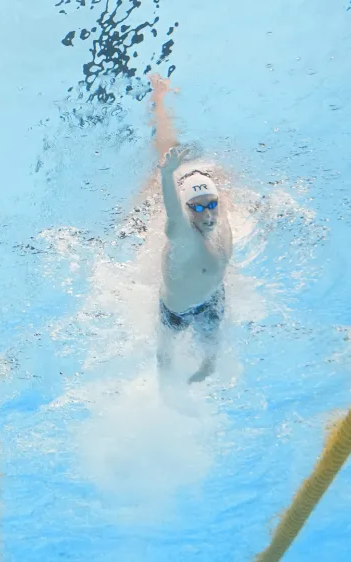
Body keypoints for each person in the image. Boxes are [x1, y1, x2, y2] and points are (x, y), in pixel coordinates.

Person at [148, 75, 232, 384]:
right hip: (176, 311)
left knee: (210, 358)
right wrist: (168, 173)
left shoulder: (221, 214)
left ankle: (201, 375)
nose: (207, 213)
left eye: (211, 203)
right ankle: (167, 394)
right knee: (165, 356)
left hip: (212, 298)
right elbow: (173, 211)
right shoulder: (184, 237)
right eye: (196, 207)